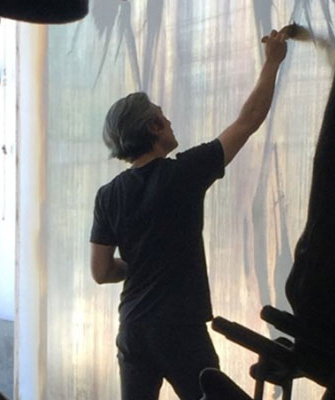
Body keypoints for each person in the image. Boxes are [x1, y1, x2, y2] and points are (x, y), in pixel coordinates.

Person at [89, 28, 289, 400]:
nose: (171, 123)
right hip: (179, 328)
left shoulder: (107, 196)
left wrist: (140, 263)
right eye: (165, 118)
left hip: (132, 328)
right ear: (153, 127)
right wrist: (272, 62)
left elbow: (101, 272)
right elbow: (248, 120)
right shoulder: (182, 173)